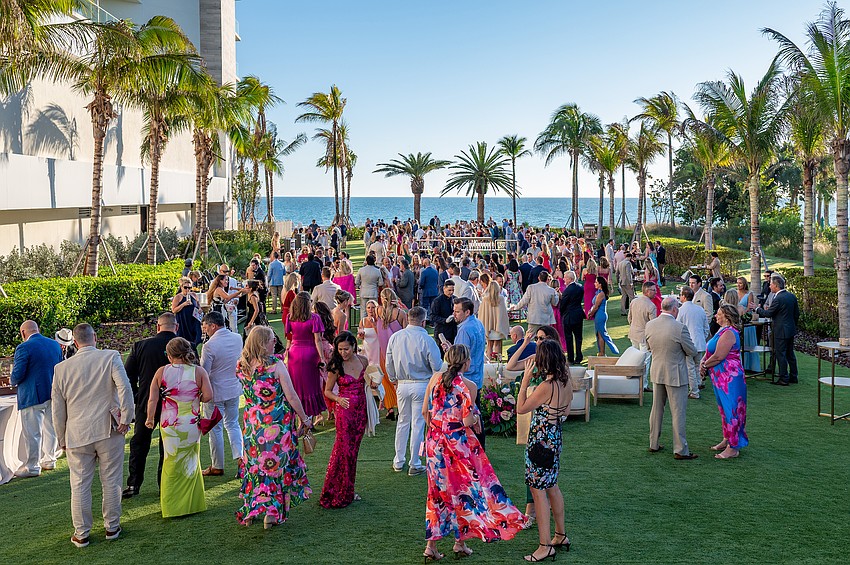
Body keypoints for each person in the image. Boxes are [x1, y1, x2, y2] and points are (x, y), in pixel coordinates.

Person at [422, 344, 527, 561]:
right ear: (467, 362)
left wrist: (436, 431)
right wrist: (476, 419)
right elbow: (467, 420)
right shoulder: (468, 385)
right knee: (463, 491)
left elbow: (425, 411)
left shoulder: (434, 379)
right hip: (457, 445)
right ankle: (459, 542)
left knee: (437, 492)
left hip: (434, 443)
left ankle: (431, 546)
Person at [52, 324, 134, 547]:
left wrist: (61, 438)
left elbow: (57, 408)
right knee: (111, 479)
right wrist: (126, 418)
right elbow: (125, 388)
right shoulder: (110, 357)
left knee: (79, 484)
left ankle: (81, 533)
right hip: (109, 429)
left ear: (75, 343)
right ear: (95, 338)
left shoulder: (61, 368)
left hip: (77, 432)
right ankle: (112, 527)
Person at [236, 326, 312, 528]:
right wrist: (305, 418)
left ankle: (251, 510)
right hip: (276, 426)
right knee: (274, 468)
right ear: (262, 343)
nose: (274, 341)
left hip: (252, 426)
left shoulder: (242, 366)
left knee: (255, 467)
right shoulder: (276, 365)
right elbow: (292, 396)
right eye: (271, 339)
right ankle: (270, 514)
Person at [517, 339, 574, 562]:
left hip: (540, 442)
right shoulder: (566, 381)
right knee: (552, 486)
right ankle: (560, 535)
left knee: (538, 492)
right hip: (555, 438)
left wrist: (525, 382)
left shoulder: (545, 387)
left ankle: (544, 545)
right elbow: (566, 409)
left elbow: (521, 408)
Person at [145, 337, 212, 518]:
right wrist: (194, 396)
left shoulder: (161, 372)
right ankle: (192, 504)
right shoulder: (198, 371)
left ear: (169, 355)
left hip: (169, 424)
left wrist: (150, 418)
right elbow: (208, 396)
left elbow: (153, 399)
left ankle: (171, 506)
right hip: (190, 423)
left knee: (170, 462)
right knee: (191, 460)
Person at [123, 314, 177, 499]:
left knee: (139, 443)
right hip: (175, 406)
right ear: (175, 327)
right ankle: (165, 485)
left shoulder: (141, 345)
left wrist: (138, 394)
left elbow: (127, 375)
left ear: (158, 327)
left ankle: (133, 483)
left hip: (146, 402)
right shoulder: (184, 345)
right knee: (168, 445)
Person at [320, 332, 375, 508]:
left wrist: (374, 384)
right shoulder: (336, 366)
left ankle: (348, 490)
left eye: (346, 349)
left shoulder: (363, 361)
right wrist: (338, 399)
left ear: (354, 346)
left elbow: (368, 381)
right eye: (340, 349)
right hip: (344, 413)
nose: (343, 352)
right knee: (342, 452)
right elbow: (327, 391)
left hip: (361, 412)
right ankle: (334, 491)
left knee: (353, 453)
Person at [385, 307, 442, 475]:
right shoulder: (427, 339)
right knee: (417, 423)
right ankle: (414, 462)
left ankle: (398, 460)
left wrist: (393, 377)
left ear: (408, 319)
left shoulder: (396, 337)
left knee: (403, 421)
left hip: (402, 383)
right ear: (423, 321)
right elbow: (437, 366)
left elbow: (389, 361)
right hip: (422, 383)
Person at [645, 297, 698, 460]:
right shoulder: (679, 328)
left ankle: (653, 443)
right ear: (675, 309)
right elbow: (691, 351)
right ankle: (680, 449)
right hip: (676, 374)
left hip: (657, 371)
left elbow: (648, 347)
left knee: (656, 409)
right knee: (678, 412)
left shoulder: (650, 325)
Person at [10, 320, 63, 478]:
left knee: (33, 433)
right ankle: (50, 459)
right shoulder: (54, 345)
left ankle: (32, 467)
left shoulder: (24, 347)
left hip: (32, 395)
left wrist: (12, 381)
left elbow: (17, 374)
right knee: (50, 428)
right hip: (52, 393)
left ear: (23, 333)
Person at [199, 311, 244, 477]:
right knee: (233, 424)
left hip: (215, 391)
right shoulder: (237, 338)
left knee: (215, 429)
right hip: (233, 388)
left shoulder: (210, 346)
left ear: (213, 325)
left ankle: (217, 465)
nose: (205, 331)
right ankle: (240, 458)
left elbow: (204, 371)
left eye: (206, 327)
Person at [701, 304, 748, 459]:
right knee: (724, 410)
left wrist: (704, 365)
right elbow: (711, 351)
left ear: (726, 316)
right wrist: (704, 362)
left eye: (719, 313)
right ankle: (727, 439)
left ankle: (733, 447)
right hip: (720, 378)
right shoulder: (721, 331)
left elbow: (719, 356)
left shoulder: (729, 333)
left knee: (732, 410)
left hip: (730, 379)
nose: (716, 316)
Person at [445, 297, 487, 448]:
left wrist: (450, 351)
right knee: (476, 413)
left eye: (457, 311)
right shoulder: (478, 323)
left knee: (468, 416)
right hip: (477, 376)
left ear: (467, 312)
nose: (454, 314)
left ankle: (473, 448)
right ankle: (479, 447)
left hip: (466, 379)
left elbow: (459, 359)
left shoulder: (464, 329)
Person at [284, 292, 328, 417]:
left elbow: (289, 338)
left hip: (294, 353)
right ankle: (311, 416)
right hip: (310, 353)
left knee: (296, 385)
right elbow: (318, 340)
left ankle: (299, 416)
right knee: (311, 386)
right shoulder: (314, 318)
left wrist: (286, 352)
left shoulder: (290, 317)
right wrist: (322, 358)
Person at [756, 275, 800, 386]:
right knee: (790, 354)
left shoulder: (778, 298)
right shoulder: (791, 296)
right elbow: (796, 314)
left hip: (780, 330)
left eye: (770, 284)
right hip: (790, 329)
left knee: (781, 354)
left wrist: (757, 309)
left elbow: (768, 313)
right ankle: (793, 376)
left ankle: (783, 378)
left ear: (776, 285)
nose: (769, 286)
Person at [377, 288, 407, 420]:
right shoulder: (400, 313)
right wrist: (399, 305)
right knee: (399, 380)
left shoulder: (379, 311)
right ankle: (401, 407)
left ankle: (389, 407)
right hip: (398, 351)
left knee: (386, 379)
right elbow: (406, 331)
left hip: (383, 351)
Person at [677, 287, 710, 399]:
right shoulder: (700, 309)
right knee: (697, 366)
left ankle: (694, 391)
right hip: (700, 342)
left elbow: (677, 327)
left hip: (688, 343)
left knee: (690, 367)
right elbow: (706, 328)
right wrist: (702, 337)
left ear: (684, 296)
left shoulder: (681, 310)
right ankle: (697, 384)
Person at [478, 274, 511, 359]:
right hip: (498, 325)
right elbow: (503, 314)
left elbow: (482, 313)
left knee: (489, 344)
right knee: (497, 343)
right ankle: (497, 360)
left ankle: (489, 359)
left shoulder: (485, 299)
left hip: (488, 326)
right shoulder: (501, 299)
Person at [587, 275, 619, 356]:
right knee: (599, 333)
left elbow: (596, 306)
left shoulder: (601, 294)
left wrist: (590, 314)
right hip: (599, 314)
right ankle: (601, 352)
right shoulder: (598, 292)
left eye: (596, 282)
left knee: (601, 334)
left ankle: (602, 352)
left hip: (600, 315)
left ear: (600, 284)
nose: (594, 284)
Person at [558, 271, 584, 365]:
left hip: (568, 316)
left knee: (568, 338)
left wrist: (561, 312)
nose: (564, 279)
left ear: (570, 279)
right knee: (578, 337)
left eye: (565, 277)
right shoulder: (580, 287)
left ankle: (571, 358)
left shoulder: (567, 290)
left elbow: (563, 305)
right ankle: (579, 356)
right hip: (578, 315)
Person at [172, 277, 202, 351]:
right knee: (183, 340)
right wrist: (183, 304)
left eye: (189, 287)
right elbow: (174, 310)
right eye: (185, 287)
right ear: (181, 287)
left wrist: (200, 309)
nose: (188, 289)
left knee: (196, 338)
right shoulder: (178, 297)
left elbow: (198, 305)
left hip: (193, 320)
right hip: (183, 320)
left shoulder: (193, 295)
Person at [429, 279, 457, 356]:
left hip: (453, 332)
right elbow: (432, 316)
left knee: (453, 356)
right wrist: (445, 320)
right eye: (449, 290)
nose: (451, 292)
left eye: (453, 290)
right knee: (440, 355)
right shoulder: (437, 301)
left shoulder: (455, 299)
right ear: (444, 288)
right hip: (441, 332)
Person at [281, 272, 300, 342]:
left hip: (285, 313)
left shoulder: (284, 289)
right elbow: (294, 305)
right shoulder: (291, 292)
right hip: (290, 314)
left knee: (289, 337)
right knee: (291, 337)